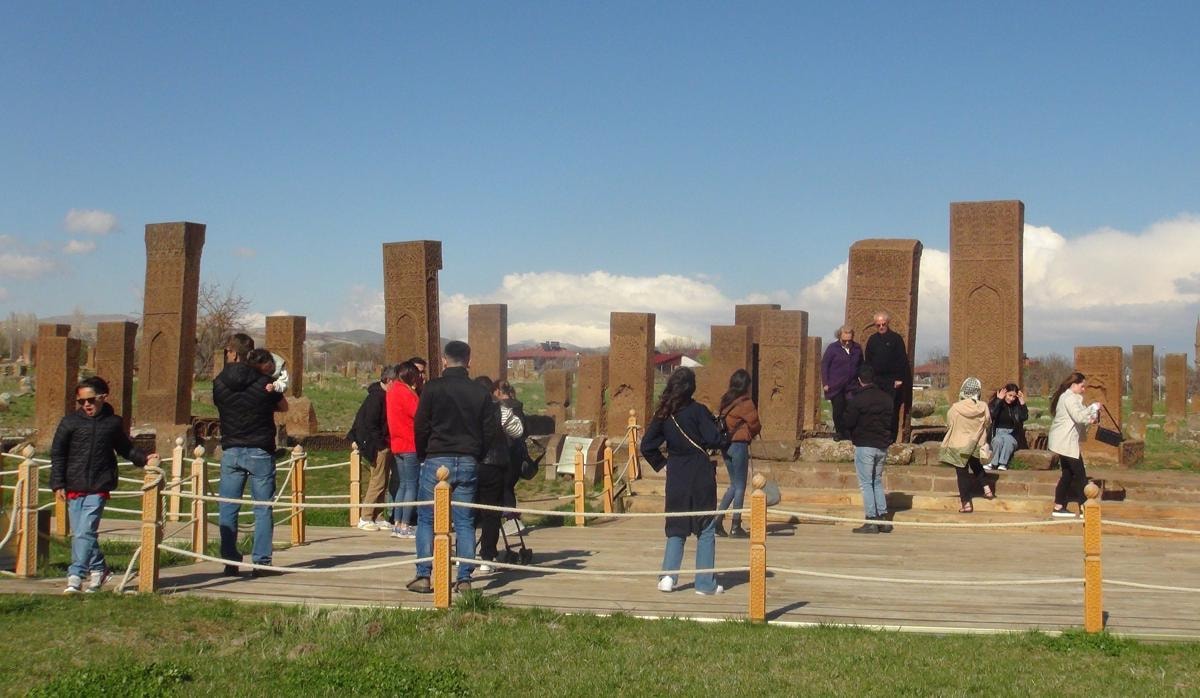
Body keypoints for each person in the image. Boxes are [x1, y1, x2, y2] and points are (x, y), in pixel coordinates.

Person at [407, 341, 499, 595]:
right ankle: (464, 578)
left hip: (437, 458)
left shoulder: (432, 388)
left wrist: (423, 453)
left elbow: (421, 425)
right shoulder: (480, 392)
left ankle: (424, 575)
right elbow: (489, 430)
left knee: (427, 519)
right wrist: (477, 454)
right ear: (469, 361)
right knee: (465, 521)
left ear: (444, 360)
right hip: (468, 459)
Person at [50, 377, 152, 593]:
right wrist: (58, 483)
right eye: (81, 401)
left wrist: (145, 459)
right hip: (73, 485)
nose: (86, 405)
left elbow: (125, 448)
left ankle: (75, 576)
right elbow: (58, 454)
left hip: (99, 485)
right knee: (81, 533)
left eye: (90, 400)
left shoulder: (112, 423)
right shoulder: (69, 422)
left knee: (85, 532)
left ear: (103, 397)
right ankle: (99, 569)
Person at [640, 367, 724, 596]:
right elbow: (713, 438)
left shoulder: (664, 413)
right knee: (705, 527)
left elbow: (646, 446)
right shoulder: (699, 411)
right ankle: (704, 584)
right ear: (691, 388)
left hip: (676, 472)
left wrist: (662, 464)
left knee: (676, 526)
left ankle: (668, 577)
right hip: (700, 472)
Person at [213, 334, 287, 577]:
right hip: (260, 449)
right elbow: (283, 406)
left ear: (233, 353)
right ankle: (261, 562)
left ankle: (230, 561)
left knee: (228, 507)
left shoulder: (219, 382)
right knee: (262, 509)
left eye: (228, 351)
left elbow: (221, 405)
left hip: (231, 448)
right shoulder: (265, 382)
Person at [473, 376, 525, 572]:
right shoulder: (499, 410)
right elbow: (518, 430)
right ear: (492, 392)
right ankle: (487, 557)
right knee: (491, 513)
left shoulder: (465, 409)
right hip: (493, 464)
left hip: (470, 463)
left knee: (467, 512)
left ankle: (464, 555)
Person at [842, 365, 894, 533]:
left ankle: (871, 519)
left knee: (866, 483)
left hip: (865, 445)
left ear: (859, 380)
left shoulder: (858, 399)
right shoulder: (887, 399)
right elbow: (891, 422)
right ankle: (883, 518)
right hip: (882, 445)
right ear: (874, 379)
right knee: (877, 481)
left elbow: (848, 421)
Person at [713, 369, 761, 538]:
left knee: (734, 485)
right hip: (739, 444)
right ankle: (736, 525)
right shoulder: (745, 403)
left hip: (725, 445)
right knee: (740, 486)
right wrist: (751, 432)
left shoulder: (726, 400)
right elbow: (755, 424)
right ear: (746, 385)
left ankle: (717, 521)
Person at [348, 364, 396, 531]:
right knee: (377, 481)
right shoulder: (376, 398)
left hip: (384, 443)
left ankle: (378, 515)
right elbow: (370, 424)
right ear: (389, 380)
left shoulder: (383, 395)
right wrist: (381, 444)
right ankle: (366, 516)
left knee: (383, 480)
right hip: (377, 445)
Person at [1047, 372, 1100, 518]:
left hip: (1063, 441)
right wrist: (1093, 407)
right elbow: (1078, 416)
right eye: (1082, 386)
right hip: (1065, 441)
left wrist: (1091, 417)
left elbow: (1079, 417)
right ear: (1074, 384)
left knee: (1068, 474)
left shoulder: (1068, 397)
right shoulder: (1070, 398)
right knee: (1080, 475)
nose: (1084, 389)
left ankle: (1058, 506)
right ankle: (1085, 507)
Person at [939, 377, 993, 514]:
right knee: (976, 466)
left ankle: (966, 503)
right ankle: (987, 488)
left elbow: (949, 422)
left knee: (962, 473)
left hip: (959, 444)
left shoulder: (955, 408)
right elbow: (988, 422)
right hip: (975, 442)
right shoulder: (983, 406)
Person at [386, 361, 421, 538]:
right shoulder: (407, 393)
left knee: (402, 484)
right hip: (410, 443)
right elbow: (419, 415)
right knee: (412, 485)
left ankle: (397, 523)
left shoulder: (392, 390)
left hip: (397, 443)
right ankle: (406, 525)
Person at [863, 311, 910, 443]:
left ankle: (890, 437)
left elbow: (902, 360)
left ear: (888, 323)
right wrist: (868, 380)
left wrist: (899, 378)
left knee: (891, 409)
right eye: (878, 325)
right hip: (877, 380)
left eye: (883, 324)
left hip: (892, 380)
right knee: (876, 408)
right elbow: (868, 361)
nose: (881, 327)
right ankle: (876, 435)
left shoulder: (896, 339)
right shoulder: (872, 340)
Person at [821, 325, 864, 441]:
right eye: (844, 340)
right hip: (836, 385)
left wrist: (862, 380)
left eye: (849, 340)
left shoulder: (857, 348)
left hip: (852, 385)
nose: (847, 343)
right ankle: (840, 432)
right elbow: (825, 365)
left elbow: (861, 365)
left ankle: (849, 433)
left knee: (851, 409)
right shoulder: (832, 348)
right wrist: (825, 383)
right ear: (839, 337)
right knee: (838, 409)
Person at [984, 383, 1028, 472]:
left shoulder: (1017, 406)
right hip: (998, 432)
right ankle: (993, 463)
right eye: (1009, 395)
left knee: (1008, 441)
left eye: (1014, 396)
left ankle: (1003, 464)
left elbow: (1024, 417)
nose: (1011, 399)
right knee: (998, 441)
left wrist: (1022, 403)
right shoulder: (997, 403)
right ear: (1005, 393)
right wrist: (999, 400)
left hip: (1012, 434)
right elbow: (991, 415)